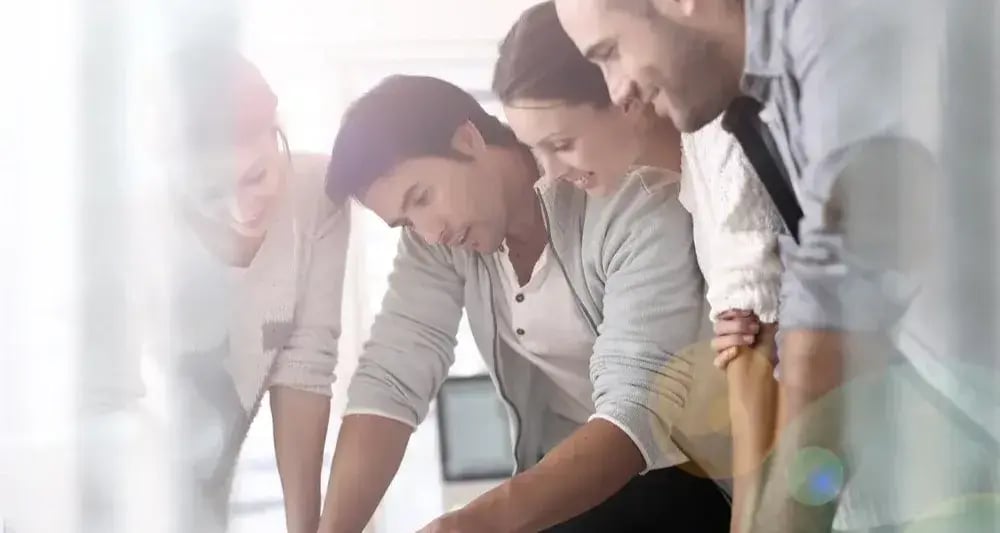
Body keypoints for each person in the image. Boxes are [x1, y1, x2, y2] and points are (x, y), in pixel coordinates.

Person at [553, 0, 999, 532]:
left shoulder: (834, 24)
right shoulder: (768, 91)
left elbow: (845, 279)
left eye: (610, 53)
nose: (617, 89)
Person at [319, 74, 730, 532]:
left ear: (467, 140)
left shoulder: (631, 204)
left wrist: (471, 524)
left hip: (692, 472)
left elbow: (637, 411)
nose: (430, 232)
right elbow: (390, 380)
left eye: (422, 197)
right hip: (577, 487)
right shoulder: (440, 242)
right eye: (406, 222)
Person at [491, 2, 784, 531]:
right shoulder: (690, 180)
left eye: (562, 144)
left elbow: (755, 361)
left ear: (622, 93)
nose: (551, 174)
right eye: (537, 151)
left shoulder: (721, 147)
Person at [165, 46, 350, 532]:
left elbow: (305, 367)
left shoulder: (315, 193)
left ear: (277, 129)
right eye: (211, 193)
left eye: (256, 176)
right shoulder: (137, 234)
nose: (241, 211)